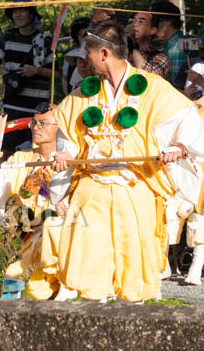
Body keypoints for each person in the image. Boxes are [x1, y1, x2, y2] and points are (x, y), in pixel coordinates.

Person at [51, 21, 204, 302]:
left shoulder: (153, 88)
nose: (85, 57)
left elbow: (188, 120)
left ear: (104, 53)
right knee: (90, 265)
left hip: (136, 188)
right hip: (91, 188)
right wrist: (66, 154)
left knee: (133, 268)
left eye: (88, 51)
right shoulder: (83, 92)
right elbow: (69, 135)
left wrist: (179, 146)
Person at [0, 104, 75, 300]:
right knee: (15, 279)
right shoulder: (22, 157)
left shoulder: (71, 161)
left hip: (61, 232)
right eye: (34, 123)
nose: (36, 127)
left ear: (60, 127)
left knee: (54, 222)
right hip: (30, 232)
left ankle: (68, 282)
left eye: (43, 123)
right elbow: (2, 183)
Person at [0, 2, 51, 152]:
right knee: (6, 151)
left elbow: (56, 73)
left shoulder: (44, 39)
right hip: (12, 103)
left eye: (22, 10)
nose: (18, 14)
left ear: (32, 14)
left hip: (38, 108)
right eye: (14, 12)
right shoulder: (6, 37)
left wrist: (36, 70)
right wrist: (5, 73)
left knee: (34, 151)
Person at [152, 0, 189, 88]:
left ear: (167, 22)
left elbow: (177, 85)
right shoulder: (183, 40)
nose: (153, 26)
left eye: (155, 21)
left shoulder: (175, 49)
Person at [127, 10, 169, 79]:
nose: (134, 25)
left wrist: (133, 45)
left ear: (153, 30)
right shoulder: (123, 50)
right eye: (134, 20)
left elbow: (150, 76)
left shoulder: (160, 58)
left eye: (141, 22)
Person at [62, 17, 91, 95]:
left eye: (85, 35)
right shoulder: (71, 54)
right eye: (80, 35)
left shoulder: (98, 55)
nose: (82, 38)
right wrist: (67, 96)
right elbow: (65, 78)